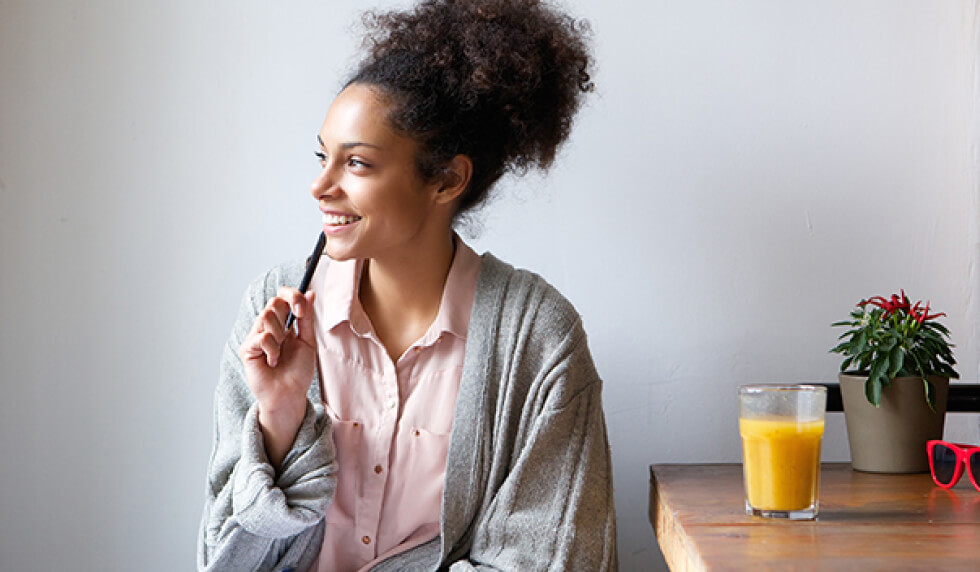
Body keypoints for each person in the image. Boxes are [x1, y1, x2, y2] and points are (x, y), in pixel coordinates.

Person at [197, 0, 617, 570]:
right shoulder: (274, 313)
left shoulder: (538, 337)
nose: (320, 186)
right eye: (323, 157)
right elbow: (222, 552)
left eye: (358, 164)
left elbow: (550, 559)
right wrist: (279, 420)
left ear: (447, 179)